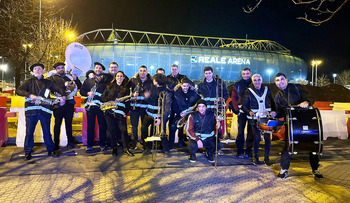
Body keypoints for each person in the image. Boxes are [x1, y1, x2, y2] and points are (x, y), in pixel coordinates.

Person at [274, 72, 323, 179]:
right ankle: (284, 169)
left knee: (312, 145)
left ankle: (315, 169)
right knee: (288, 145)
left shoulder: (297, 87)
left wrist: (306, 102)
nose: (280, 82)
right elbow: (280, 113)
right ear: (275, 83)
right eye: (277, 80)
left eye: (282, 79)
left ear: (286, 80)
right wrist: (275, 114)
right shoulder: (277, 97)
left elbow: (310, 98)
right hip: (291, 125)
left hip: (307, 121)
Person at [16, 63, 66, 160]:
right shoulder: (28, 82)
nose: (37, 70)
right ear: (33, 71)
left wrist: (63, 96)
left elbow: (59, 89)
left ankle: (51, 150)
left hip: (45, 111)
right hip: (31, 111)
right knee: (29, 132)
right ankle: (28, 151)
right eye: (35, 69)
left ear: (43, 70)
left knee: (47, 131)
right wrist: (30, 95)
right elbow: (18, 91)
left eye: (39, 68)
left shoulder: (48, 83)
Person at [241, 74, 276, 165]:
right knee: (256, 138)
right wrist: (249, 112)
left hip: (266, 118)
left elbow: (273, 102)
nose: (257, 82)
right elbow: (244, 105)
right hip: (254, 119)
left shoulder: (267, 90)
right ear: (252, 81)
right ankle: (255, 157)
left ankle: (266, 158)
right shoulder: (248, 91)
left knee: (267, 138)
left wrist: (274, 111)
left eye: (258, 80)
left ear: (261, 80)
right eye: (255, 80)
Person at [48, 62, 82, 150]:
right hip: (58, 104)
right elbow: (51, 88)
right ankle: (56, 144)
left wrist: (76, 79)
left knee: (69, 124)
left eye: (62, 67)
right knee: (57, 124)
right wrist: (63, 85)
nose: (61, 69)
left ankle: (70, 142)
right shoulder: (52, 78)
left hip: (69, 103)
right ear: (56, 70)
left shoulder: (69, 77)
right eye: (58, 68)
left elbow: (79, 87)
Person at [101, 71, 134, 156]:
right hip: (110, 112)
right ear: (115, 77)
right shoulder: (109, 86)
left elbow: (128, 103)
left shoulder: (126, 89)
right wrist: (113, 98)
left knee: (124, 130)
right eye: (118, 76)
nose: (119, 78)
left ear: (123, 78)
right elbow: (103, 98)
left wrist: (125, 112)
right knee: (112, 131)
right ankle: (114, 148)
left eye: (121, 76)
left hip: (120, 112)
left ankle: (125, 148)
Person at [197, 66, 228, 153]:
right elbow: (199, 97)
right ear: (204, 74)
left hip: (216, 109)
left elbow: (225, 94)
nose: (208, 75)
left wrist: (220, 104)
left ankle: (217, 148)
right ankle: (208, 148)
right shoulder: (201, 85)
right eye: (206, 73)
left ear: (212, 73)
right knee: (207, 129)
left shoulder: (219, 83)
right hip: (206, 110)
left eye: (209, 73)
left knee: (217, 129)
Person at [80, 62, 109, 153]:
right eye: (96, 68)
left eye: (100, 68)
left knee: (102, 126)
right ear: (94, 69)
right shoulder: (88, 80)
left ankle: (102, 144)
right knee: (90, 126)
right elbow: (82, 91)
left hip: (101, 106)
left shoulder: (106, 80)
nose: (98, 70)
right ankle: (89, 145)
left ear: (102, 70)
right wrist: (87, 93)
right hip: (90, 106)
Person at [141, 74, 172, 156]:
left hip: (159, 116)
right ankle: (147, 147)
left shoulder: (166, 92)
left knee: (162, 132)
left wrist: (160, 118)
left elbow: (167, 108)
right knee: (143, 130)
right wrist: (146, 97)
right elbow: (148, 101)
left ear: (157, 81)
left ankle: (166, 150)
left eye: (154, 79)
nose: (153, 81)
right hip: (149, 114)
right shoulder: (151, 88)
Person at [128, 65, 153, 152]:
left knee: (144, 127)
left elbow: (153, 94)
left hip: (144, 109)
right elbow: (127, 91)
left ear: (147, 72)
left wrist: (148, 96)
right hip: (134, 108)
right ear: (138, 71)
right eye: (141, 71)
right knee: (134, 127)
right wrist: (132, 95)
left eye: (144, 71)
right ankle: (133, 143)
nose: (142, 72)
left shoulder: (151, 82)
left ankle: (144, 144)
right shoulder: (133, 80)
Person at [170, 77, 201, 148]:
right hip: (181, 114)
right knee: (173, 127)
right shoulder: (176, 94)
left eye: (187, 86)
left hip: (191, 114)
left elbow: (198, 101)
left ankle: (195, 145)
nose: (185, 88)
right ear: (181, 85)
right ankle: (171, 145)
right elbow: (173, 105)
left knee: (195, 127)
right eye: (184, 86)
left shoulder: (193, 93)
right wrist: (179, 113)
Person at [231, 67, 253, 159]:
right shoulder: (237, 85)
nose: (246, 75)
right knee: (240, 132)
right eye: (244, 74)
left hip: (252, 112)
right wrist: (236, 110)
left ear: (250, 74)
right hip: (241, 111)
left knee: (251, 132)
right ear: (242, 74)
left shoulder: (254, 83)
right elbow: (233, 98)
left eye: (247, 73)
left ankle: (248, 151)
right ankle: (239, 151)